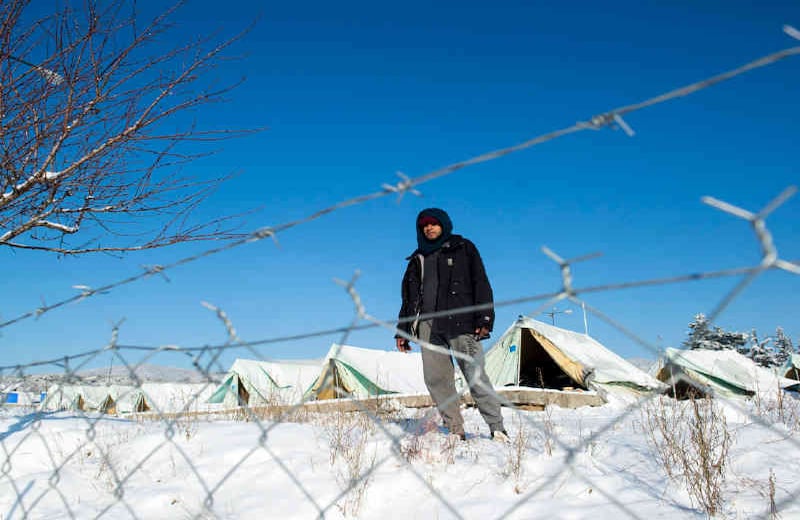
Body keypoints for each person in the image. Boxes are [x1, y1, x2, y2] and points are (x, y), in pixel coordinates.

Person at [395, 208, 508, 441]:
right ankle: (455, 429)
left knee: (475, 375)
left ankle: (497, 427)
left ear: (444, 225)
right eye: (424, 225)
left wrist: (484, 318)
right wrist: (403, 331)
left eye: (434, 223)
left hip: (461, 322)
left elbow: (481, 283)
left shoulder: (464, 248)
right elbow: (408, 299)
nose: (429, 228)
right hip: (428, 325)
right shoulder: (417, 260)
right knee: (436, 379)